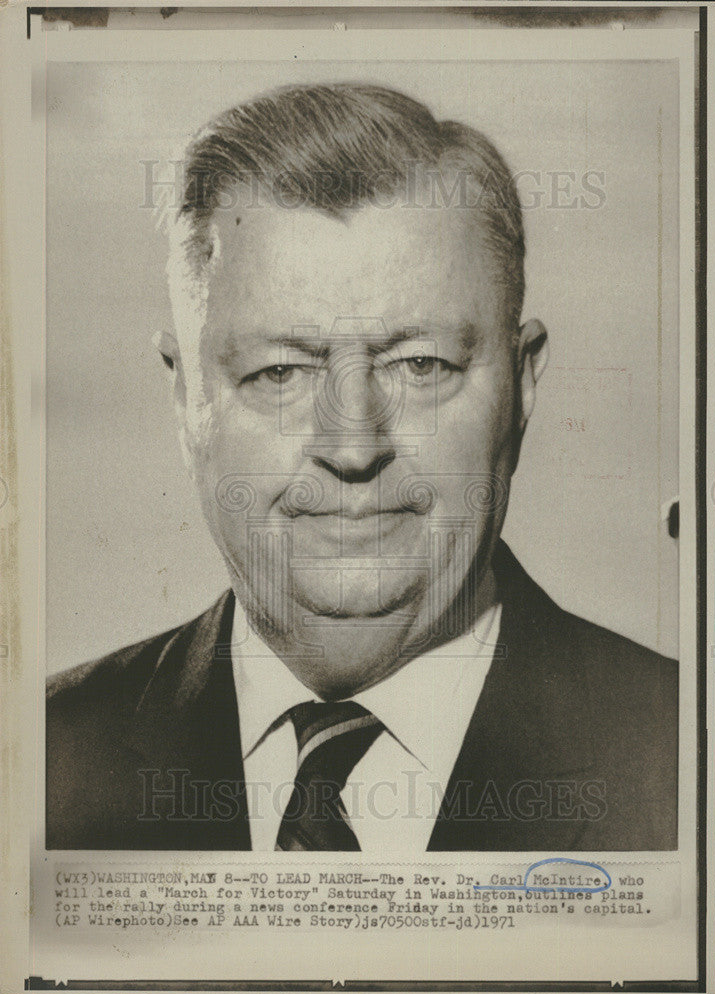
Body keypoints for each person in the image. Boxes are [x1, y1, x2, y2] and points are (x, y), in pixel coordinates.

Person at [46, 83, 678, 852]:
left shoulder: (685, 759)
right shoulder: (36, 762)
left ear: (523, 381)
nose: (351, 448)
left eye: (420, 365)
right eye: (279, 373)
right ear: (185, 396)